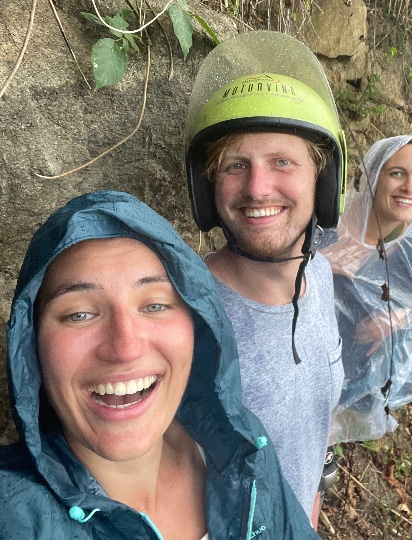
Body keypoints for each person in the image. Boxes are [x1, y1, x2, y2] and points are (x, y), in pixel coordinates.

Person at [0, 190, 319, 539]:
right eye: (79, 314)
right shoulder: (13, 514)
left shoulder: (242, 449)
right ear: (32, 347)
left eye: (155, 305)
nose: (125, 348)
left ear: (197, 327)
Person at [184, 31, 346, 528]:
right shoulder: (188, 313)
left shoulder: (319, 277)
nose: (257, 188)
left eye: (282, 162)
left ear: (322, 182)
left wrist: (310, 508)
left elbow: (312, 423)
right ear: (209, 189)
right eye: (236, 166)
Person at [319, 135, 412, 443]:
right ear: (373, 173)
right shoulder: (324, 218)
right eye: (397, 173)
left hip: (345, 384)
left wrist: (398, 319)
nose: (410, 187)